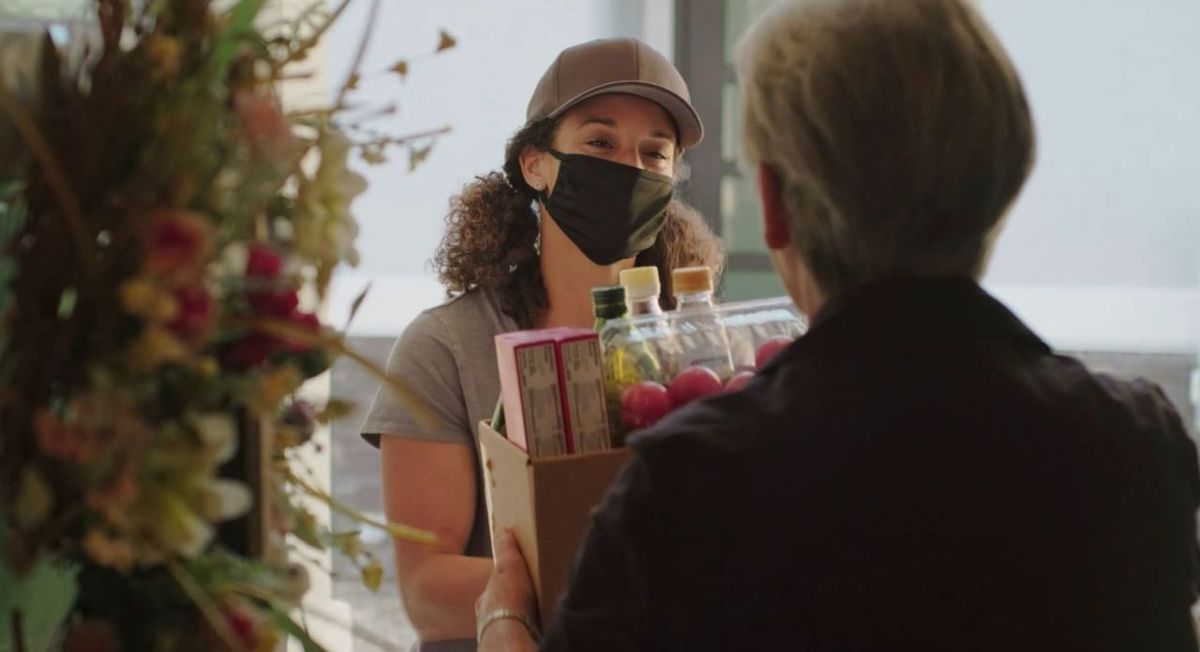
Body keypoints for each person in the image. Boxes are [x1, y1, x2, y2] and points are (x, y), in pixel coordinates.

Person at [475, 0, 1200, 650]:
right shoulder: (1137, 448)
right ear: (1002, 186)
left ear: (775, 205)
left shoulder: (692, 486)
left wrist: (506, 618)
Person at [359, 38, 724, 651]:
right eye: (599, 142)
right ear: (535, 165)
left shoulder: (697, 347)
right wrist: (622, 583)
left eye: (654, 153)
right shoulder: (446, 346)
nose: (629, 168)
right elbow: (427, 592)